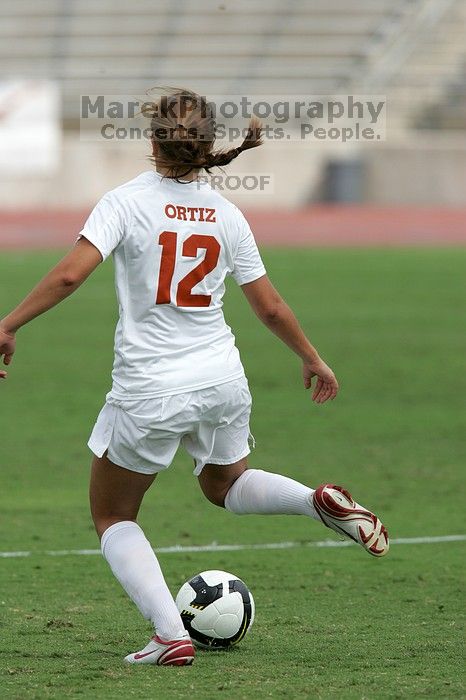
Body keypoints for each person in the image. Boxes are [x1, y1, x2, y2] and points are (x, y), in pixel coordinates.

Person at [0, 89, 388, 668]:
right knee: (223, 485)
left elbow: (67, 277)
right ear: (208, 148)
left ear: (154, 142)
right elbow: (271, 307)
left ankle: (168, 635)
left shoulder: (125, 201)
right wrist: (311, 356)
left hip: (151, 387)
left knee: (114, 516)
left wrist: (9, 324)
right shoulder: (227, 214)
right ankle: (316, 503)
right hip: (222, 377)